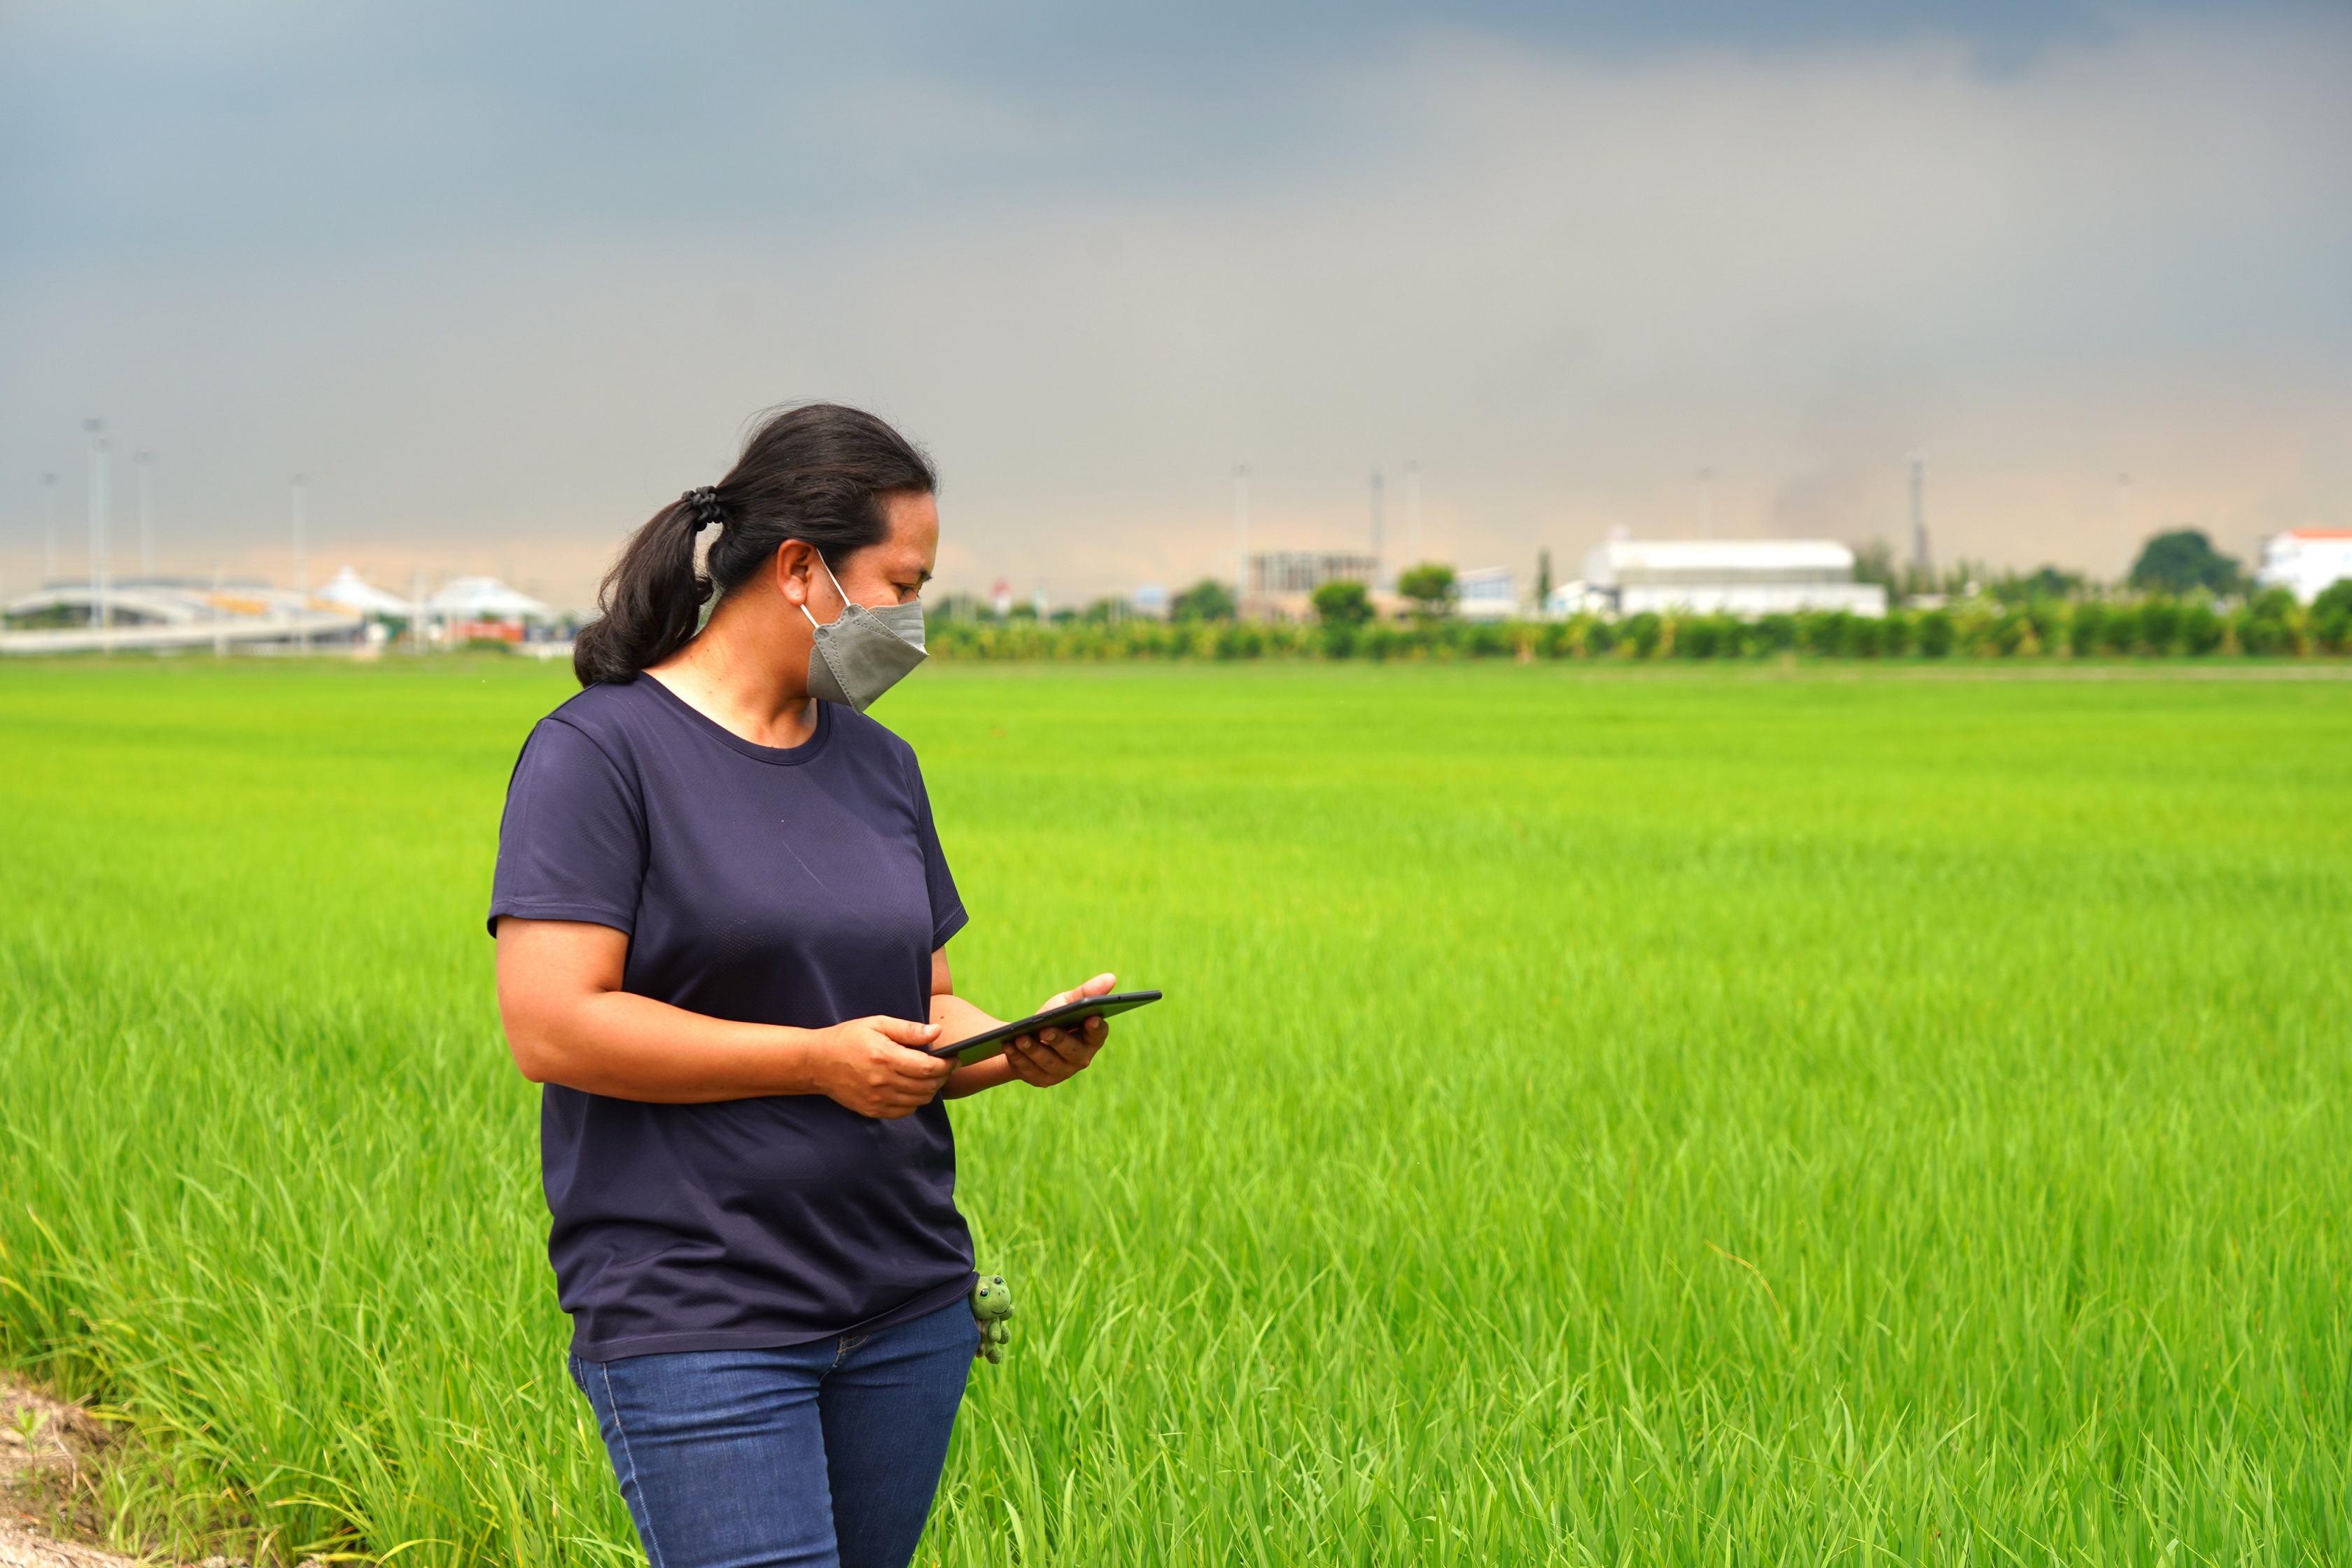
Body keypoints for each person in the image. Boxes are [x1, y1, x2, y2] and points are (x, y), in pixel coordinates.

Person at [488, 402, 1114, 1568]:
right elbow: (552, 1024)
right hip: (699, 1312)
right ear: (799, 570)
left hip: (904, 1301)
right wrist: (812, 1059)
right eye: (903, 582)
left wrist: (1012, 1042)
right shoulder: (600, 753)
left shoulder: (880, 765)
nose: (915, 622)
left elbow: (918, 1006)